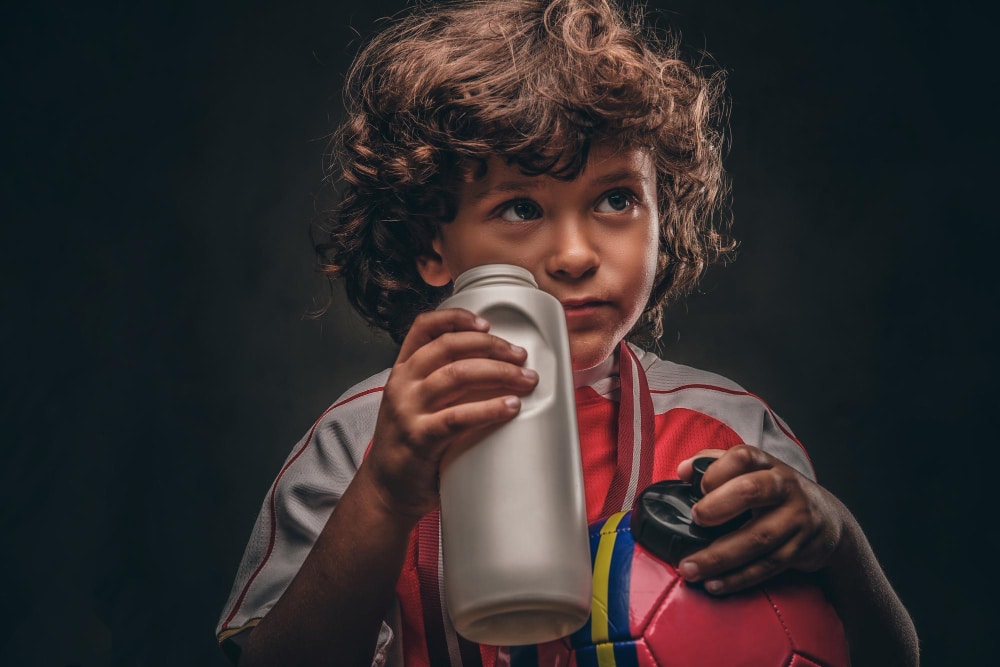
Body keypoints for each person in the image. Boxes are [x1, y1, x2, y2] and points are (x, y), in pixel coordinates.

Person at [216, 1, 919, 665]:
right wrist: (384, 493)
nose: (577, 253)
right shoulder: (363, 437)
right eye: (521, 206)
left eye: (617, 199)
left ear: (661, 214)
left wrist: (840, 542)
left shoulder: (727, 431)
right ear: (432, 245)